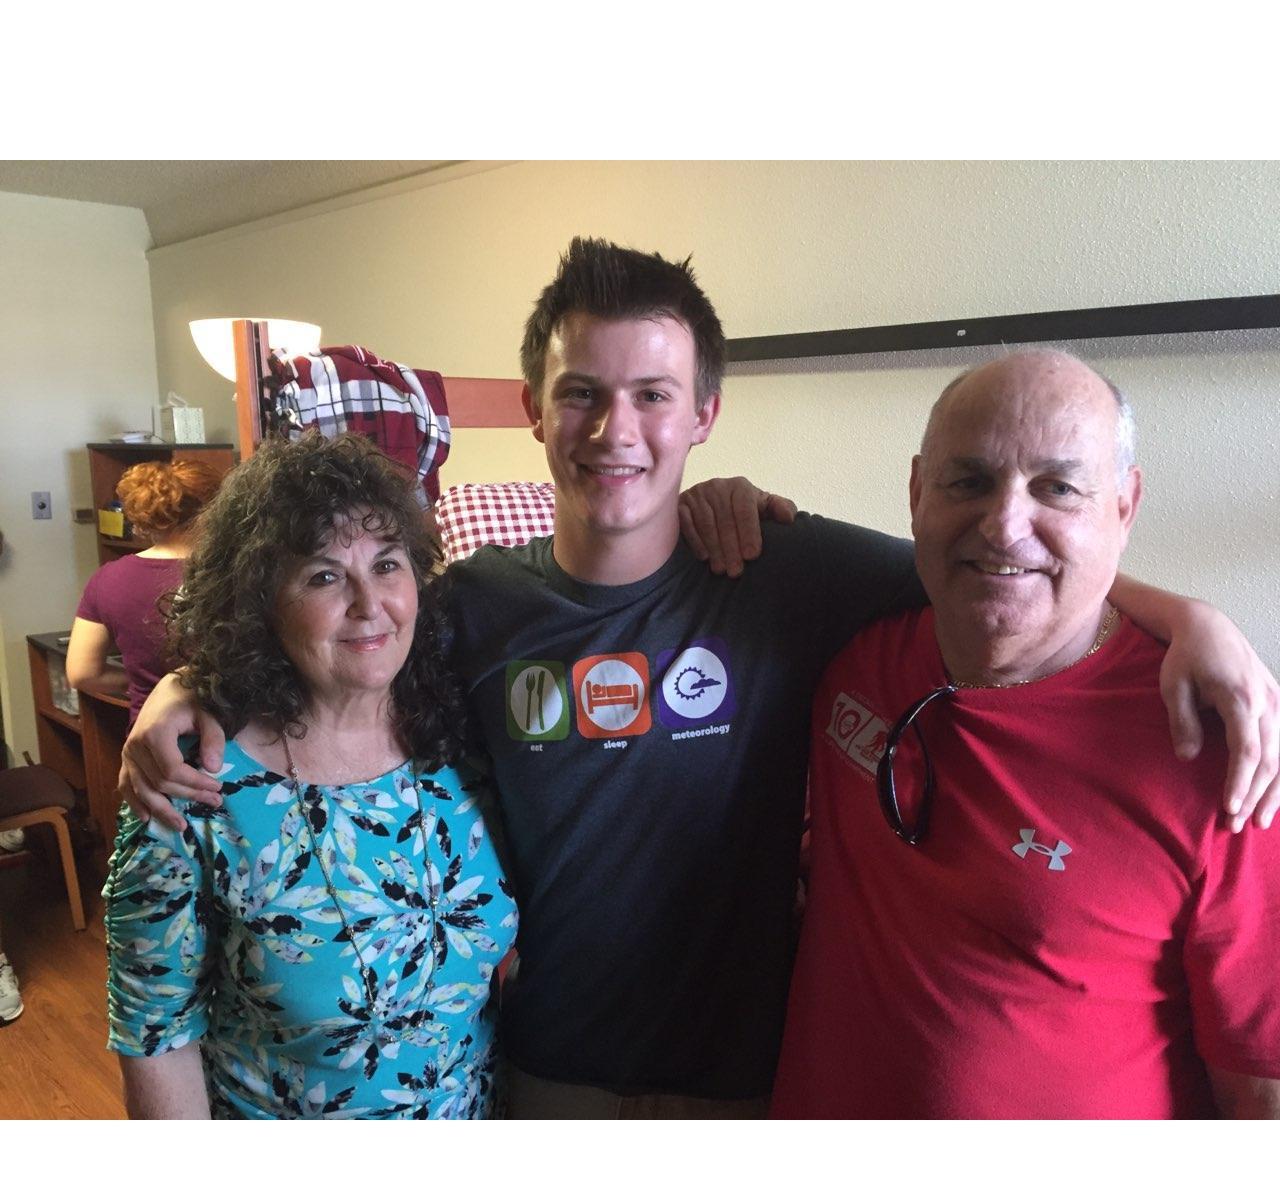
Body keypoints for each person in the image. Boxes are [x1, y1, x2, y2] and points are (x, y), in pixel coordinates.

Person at [120, 239, 1279, 1118]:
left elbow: (996, 569)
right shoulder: (466, 606)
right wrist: (184, 689)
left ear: (704, 414)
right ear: (533, 409)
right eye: (580, 391)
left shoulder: (787, 572)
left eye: (653, 394)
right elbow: (324, 637)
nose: (612, 427)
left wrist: (1192, 617)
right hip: (536, 1074)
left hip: (749, 1084)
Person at [770, 351, 1280, 1118]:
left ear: (1124, 506)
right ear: (916, 493)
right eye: (968, 481)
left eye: (1058, 487)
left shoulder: (1223, 753)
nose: (1005, 525)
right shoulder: (851, 647)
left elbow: (1259, 1082)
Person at [103, 433, 517, 1118]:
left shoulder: (462, 743)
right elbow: (155, 1035)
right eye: (324, 576)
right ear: (261, 602)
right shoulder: (193, 785)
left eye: (387, 564)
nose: (368, 603)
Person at [67, 459, 223, 722]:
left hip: (152, 732)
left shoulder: (108, 578)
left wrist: (146, 683)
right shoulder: (236, 572)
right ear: (212, 511)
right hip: (233, 737)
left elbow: (82, 673)